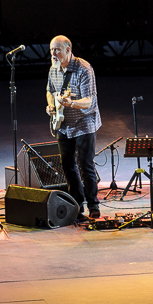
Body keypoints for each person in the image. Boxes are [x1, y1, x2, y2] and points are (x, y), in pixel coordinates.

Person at [45, 36, 102, 221]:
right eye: (52, 49)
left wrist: (71, 103)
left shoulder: (84, 69)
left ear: (68, 49)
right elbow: (50, 91)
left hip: (84, 123)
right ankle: (77, 206)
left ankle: (93, 205)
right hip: (63, 124)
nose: (54, 53)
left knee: (86, 165)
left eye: (57, 50)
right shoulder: (53, 69)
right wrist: (51, 106)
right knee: (68, 166)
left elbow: (89, 101)